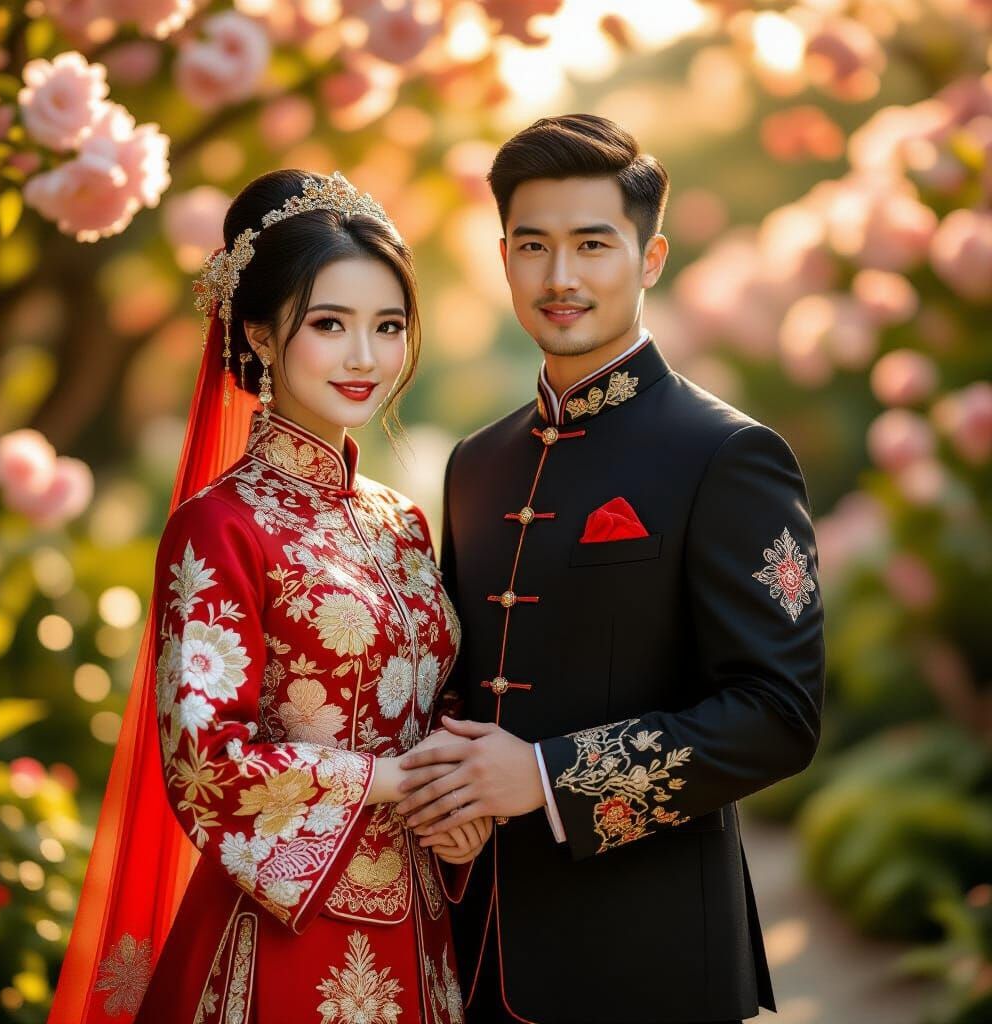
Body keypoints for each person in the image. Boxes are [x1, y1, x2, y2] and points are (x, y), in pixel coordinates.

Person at [395, 114, 826, 1024]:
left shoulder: (729, 455)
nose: (561, 277)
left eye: (593, 244)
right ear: (502, 257)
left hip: (652, 962)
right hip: (474, 956)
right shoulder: (475, 462)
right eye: (533, 246)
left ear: (651, 256)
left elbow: (778, 716)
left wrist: (551, 776)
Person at [49, 170, 486, 1024]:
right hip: (281, 942)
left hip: (423, 934)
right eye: (330, 324)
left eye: (388, 327)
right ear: (257, 330)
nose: (366, 357)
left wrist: (455, 802)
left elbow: (439, 698)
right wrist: (391, 782)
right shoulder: (219, 526)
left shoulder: (400, 521)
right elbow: (205, 764)